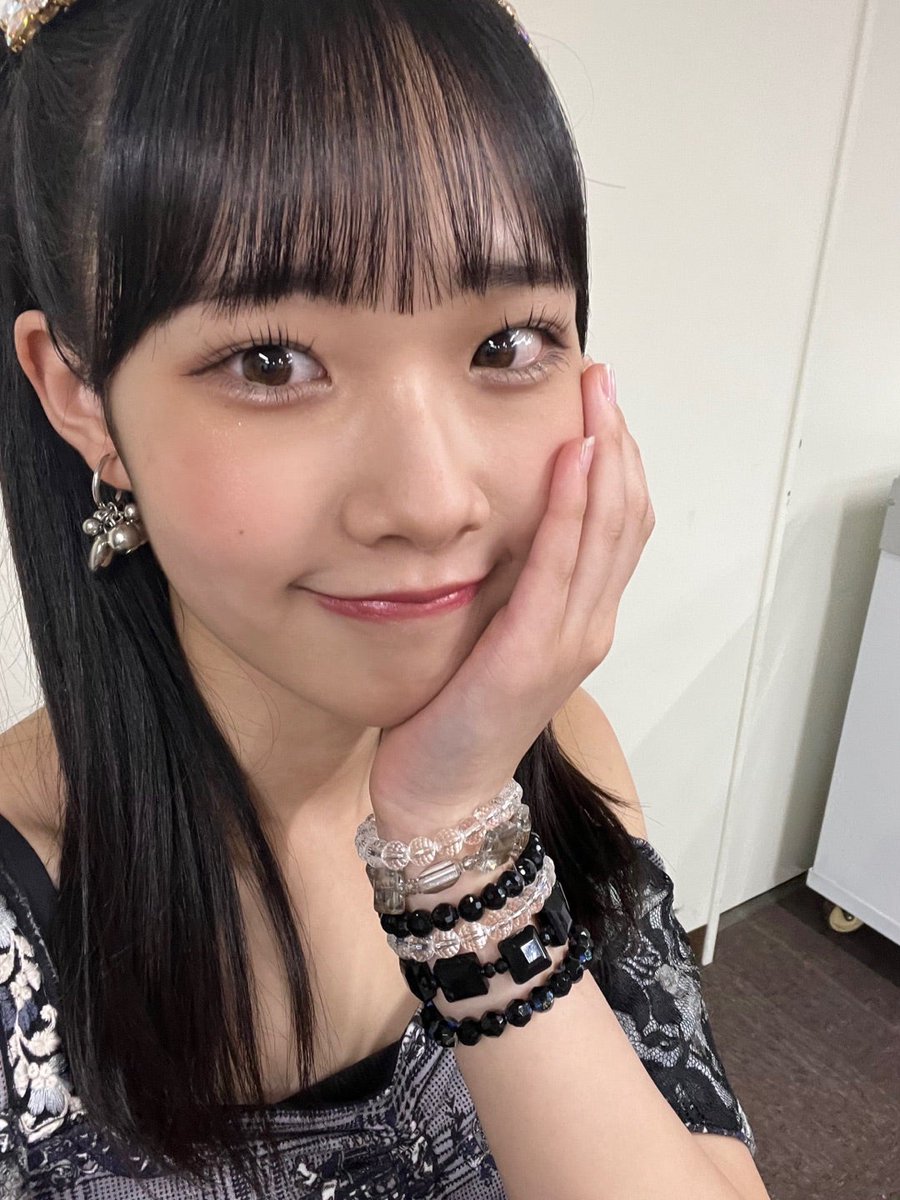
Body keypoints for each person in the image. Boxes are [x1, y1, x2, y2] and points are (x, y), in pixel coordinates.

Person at [0, 0, 768, 1196]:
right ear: (80, 399)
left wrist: (457, 854)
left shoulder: (556, 755)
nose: (431, 499)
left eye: (506, 344)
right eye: (271, 362)